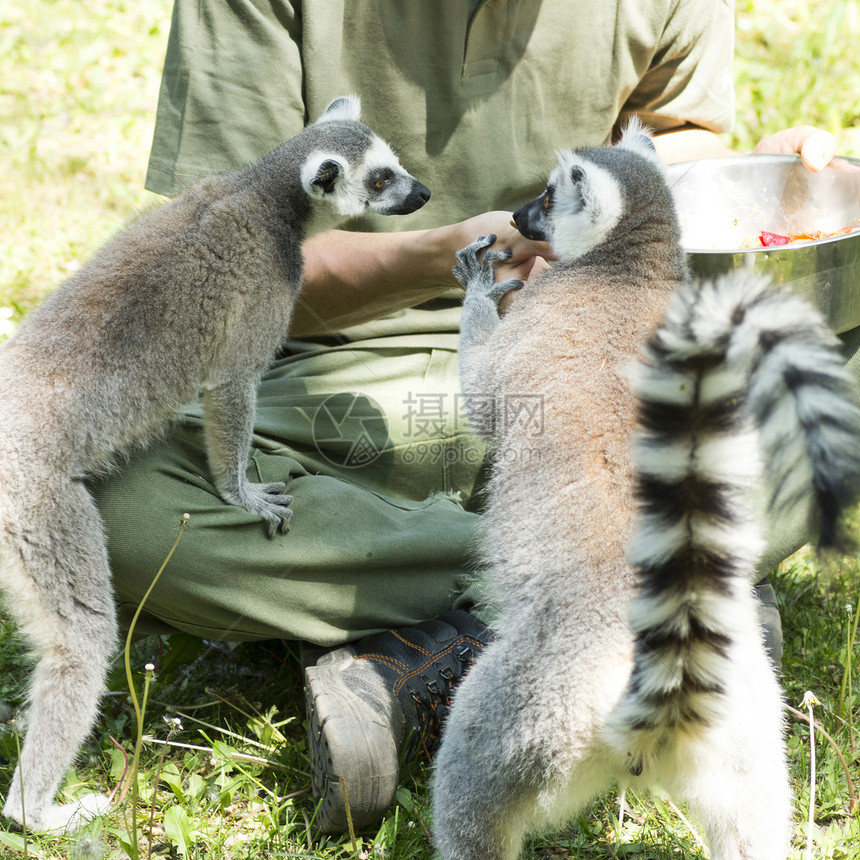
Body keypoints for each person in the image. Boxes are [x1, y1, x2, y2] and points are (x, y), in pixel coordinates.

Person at [90, 0, 844, 835]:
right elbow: (229, 265)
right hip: (349, 394)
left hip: (597, 392)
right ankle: (642, 599)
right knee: (112, 494)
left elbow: (674, 148)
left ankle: (458, 643)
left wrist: (763, 178)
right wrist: (442, 255)